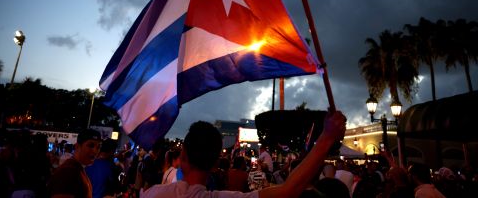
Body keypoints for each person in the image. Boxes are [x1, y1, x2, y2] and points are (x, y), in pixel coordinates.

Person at [142, 109, 346, 198]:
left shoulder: (152, 194)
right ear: (215, 164)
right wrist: (327, 137)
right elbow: (287, 192)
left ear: (182, 156)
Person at [47, 129, 102, 198]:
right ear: (77, 146)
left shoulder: (77, 169)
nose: (95, 151)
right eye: (90, 145)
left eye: (98, 147)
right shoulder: (68, 171)